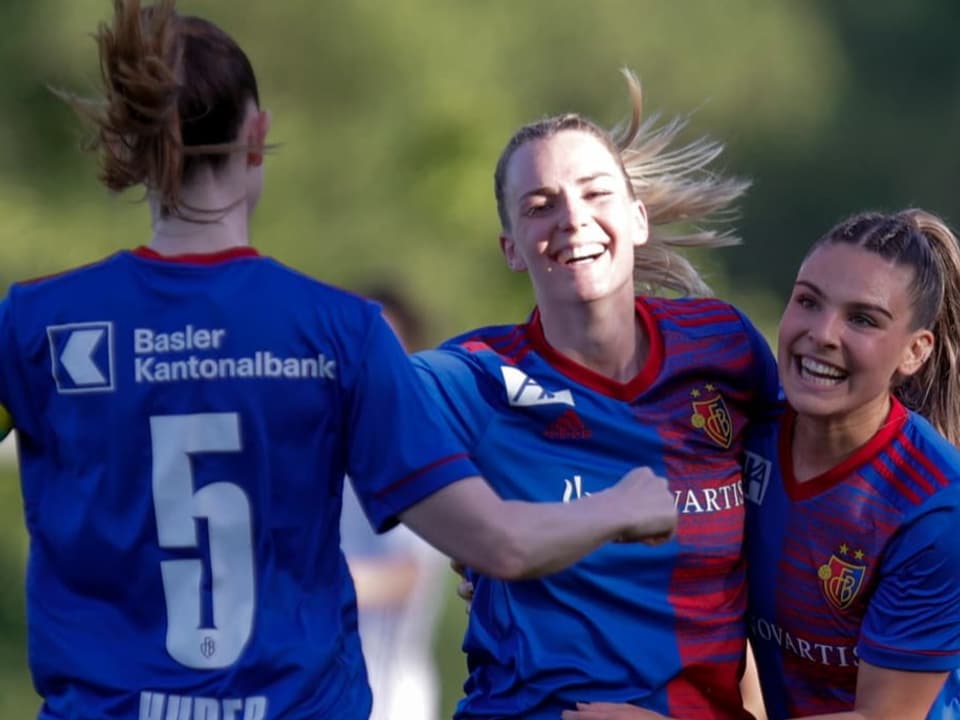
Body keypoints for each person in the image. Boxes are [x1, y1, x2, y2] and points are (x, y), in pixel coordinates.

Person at [0, 3, 680, 719]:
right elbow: (500, 544)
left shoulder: (39, 323)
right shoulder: (339, 333)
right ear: (256, 135)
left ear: (135, 145)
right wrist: (622, 507)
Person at [412, 70, 781, 720]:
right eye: (539, 206)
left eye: (594, 194)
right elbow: (339, 405)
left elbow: (794, 516)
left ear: (636, 218)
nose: (573, 219)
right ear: (512, 249)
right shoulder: (471, 378)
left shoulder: (725, 347)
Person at [563, 210, 960, 720]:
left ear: (915, 352)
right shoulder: (742, 426)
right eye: (808, 301)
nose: (822, 333)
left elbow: (883, 719)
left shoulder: (936, 506)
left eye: (862, 319)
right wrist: (522, 551)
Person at [340, 283, 446, 720]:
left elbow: (404, 577)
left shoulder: (420, 454)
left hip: (391, 705)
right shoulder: (320, 457)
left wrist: (299, 585)